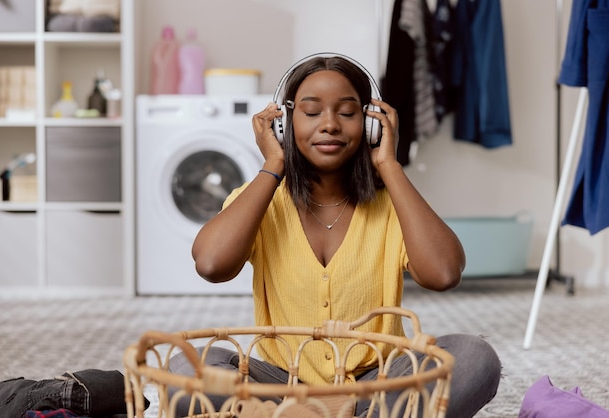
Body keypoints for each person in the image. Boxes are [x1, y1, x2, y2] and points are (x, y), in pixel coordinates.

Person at [169, 53, 501, 417]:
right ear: (284, 124)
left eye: (346, 113)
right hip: (282, 386)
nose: (329, 125)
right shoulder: (260, 201)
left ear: (372, 124)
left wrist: (389, 164)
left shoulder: (394, 204)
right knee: (190, 363)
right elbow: (212, 264)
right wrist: (273, 164)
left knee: (473, 356)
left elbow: (444, 273)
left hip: (381, 383)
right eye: (311, 113)